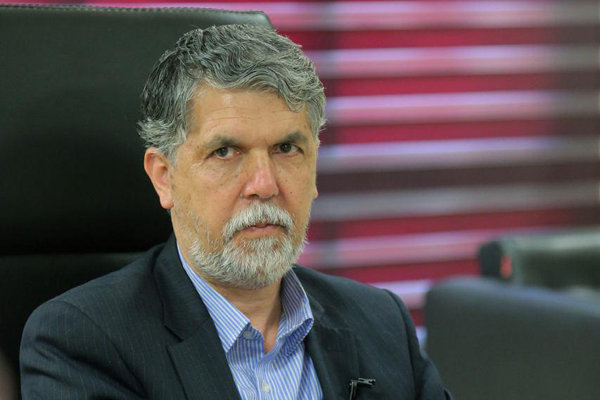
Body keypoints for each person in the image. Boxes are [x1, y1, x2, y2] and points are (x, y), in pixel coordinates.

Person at [20, 25, 451, 399]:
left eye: (287, 148)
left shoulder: (380, 322)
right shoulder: (84, 340)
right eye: (225, 152)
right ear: (164, 177)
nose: (264, 185)